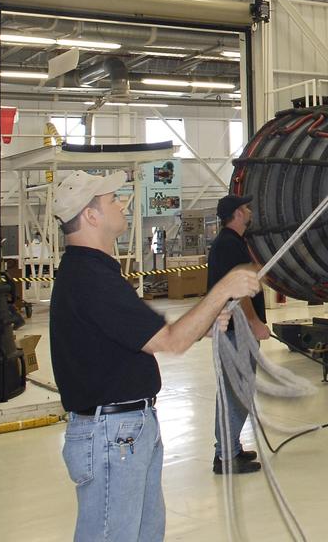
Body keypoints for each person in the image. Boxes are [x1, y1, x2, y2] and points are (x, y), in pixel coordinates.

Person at [49, 170, 261, 542]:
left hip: (129, 430)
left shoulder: (97, 272)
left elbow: (153, 337)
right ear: (91, 215)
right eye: (112, 199)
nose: (122, 203)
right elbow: (170, 342)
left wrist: (209, 321)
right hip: (112, 437)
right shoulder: (89, 277)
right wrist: (223, 290)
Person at [207, 193, 270, 475]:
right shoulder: (229, 245)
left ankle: (231, 448)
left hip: (235, 332)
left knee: (236, 393)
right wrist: (255, 323)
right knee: (235, 394)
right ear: (237, 214)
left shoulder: (231, 243)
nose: (249, 211)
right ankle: (225, 457)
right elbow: (239, 293)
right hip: (237, 332)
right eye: (245, 208)